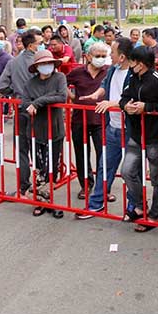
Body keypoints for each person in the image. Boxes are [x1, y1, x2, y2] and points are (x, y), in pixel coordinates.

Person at [119, 46, 158, 232]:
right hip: (136, 135)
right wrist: (126, 105)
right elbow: (123, 97)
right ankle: (141, 205)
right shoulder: (134, 78)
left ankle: (154, 215)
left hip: (156, 138)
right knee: (127, 172)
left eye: (132, 61)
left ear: (141, 64)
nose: (130, 64)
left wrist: (147, 107)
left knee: (157, 179)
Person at [81, 37, 135, 218]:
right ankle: (96, 204)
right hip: (112, 127)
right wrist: (95, 95)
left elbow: (133, 99)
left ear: (122, 57)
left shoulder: (135, 73)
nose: (110, 56)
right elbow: (105, 86)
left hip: (130, 130)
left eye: (113, 52)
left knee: (131, 172)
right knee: (105, 167)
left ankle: (133, 208)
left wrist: (112, 103)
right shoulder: (113, 70)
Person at [12, 49, 67, 218]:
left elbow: (62, 97)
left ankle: (47, 200)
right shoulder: (30, 83)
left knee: (51, 168)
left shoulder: (59, 78)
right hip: (35, 131)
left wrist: (39, 102)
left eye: (48, 63)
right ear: (37, 67)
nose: (46, 66)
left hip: (55, 130)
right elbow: (24, 103)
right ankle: (41, 202)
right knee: (39, 167)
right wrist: (35, 104)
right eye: (42, 64)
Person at [66, 42, 109, 200]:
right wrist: (72, 97)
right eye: (97, 56)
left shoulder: (108, 71)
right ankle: (85, 185)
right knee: (81, 154)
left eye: (104, 56)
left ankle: (103, 187)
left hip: (101, 120)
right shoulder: (77, 72)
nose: (100, 59)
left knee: (102, 155)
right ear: (89, 56)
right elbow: (62, 81)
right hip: (79, 120)